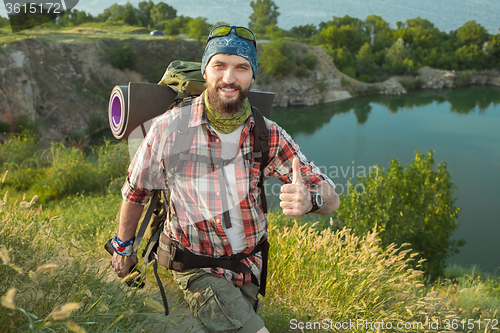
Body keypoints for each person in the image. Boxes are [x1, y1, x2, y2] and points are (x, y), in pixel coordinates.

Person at [111, 25, 340, 333]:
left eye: (242, 68)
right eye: (219, 65)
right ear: (206, 71)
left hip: (249, 269)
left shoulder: (266, 133)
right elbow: (137, 192)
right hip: (195, 267)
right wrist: (123, 248)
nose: (229, 78)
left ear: (253, 76)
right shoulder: (169, 129)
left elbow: (330, 195)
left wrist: (312, 200)